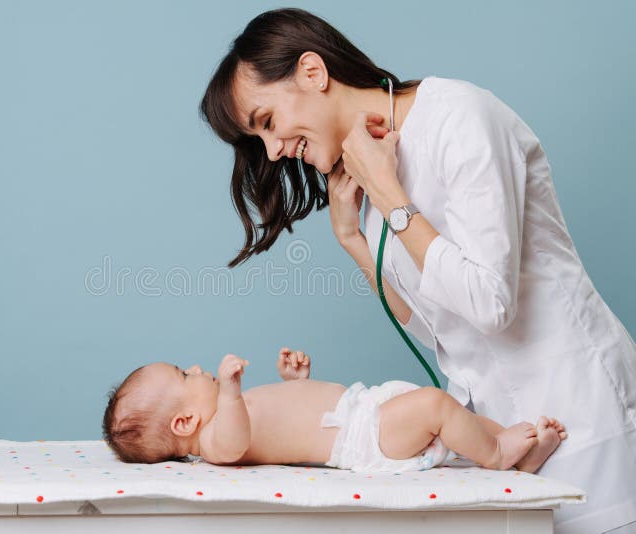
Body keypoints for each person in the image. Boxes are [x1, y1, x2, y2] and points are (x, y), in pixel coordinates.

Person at [198, 8, 636, 533]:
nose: (273, 151)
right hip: (500, 436)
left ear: (312, 73)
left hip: (581, 414)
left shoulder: (459, 117)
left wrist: (390, 196)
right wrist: (353, 239)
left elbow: (490, 305)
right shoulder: (366, 170)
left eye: (267, 123)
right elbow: (438, 329)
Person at [103, 349, 566, 475]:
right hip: (362, 438)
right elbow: (237, 442)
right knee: (437, 406)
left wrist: (297, 385)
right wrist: (227, 390)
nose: (198, 368)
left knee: (460, 422)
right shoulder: (214, 442)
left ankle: (511, 449)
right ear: (184, 424)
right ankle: (497, 454)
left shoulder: (227, 415)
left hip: (363, 408)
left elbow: (287, 422)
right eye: (186, 375)